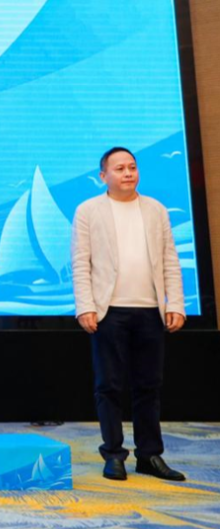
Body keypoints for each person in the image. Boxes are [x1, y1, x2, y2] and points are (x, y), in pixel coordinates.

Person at [72, 147, 186, 481]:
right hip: (108, 311)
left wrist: (176, 304)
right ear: (103, 176)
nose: (128, 173)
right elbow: (80, 262)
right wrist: (85, 306)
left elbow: (170, 259)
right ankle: (113, 454)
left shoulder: (156, 209)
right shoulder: (88, 210)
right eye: (119, 168)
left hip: (150, 310)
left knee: (148, 386)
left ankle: (149, 456)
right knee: (108, 386)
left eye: (132, 167)